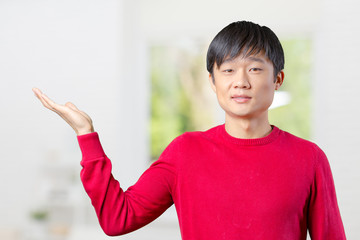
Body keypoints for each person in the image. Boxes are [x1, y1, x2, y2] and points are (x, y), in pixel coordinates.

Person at [33, 21, 346, 239]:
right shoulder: (186, 152)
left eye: (254, 68)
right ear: (212, 81)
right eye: (227, 70)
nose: (240, 81)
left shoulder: (309, 158)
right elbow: (117, 219)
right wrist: (86, 134)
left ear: (277, 79)